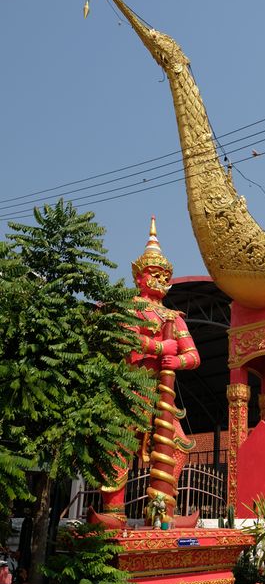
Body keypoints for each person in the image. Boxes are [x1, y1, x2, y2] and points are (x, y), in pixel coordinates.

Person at [93, 217, 200, 527]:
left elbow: (193, 355)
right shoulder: (129, 308)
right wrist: (158, 349)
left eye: (165, 275)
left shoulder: (174, 316)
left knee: (177, 446)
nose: (161, 280)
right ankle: (113, 512)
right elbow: (122, 341)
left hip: (161, 394)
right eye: (156, 274)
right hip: (131, 389)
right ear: (139, 277)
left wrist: (177, 361)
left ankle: (162, 511)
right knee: (118, 445)